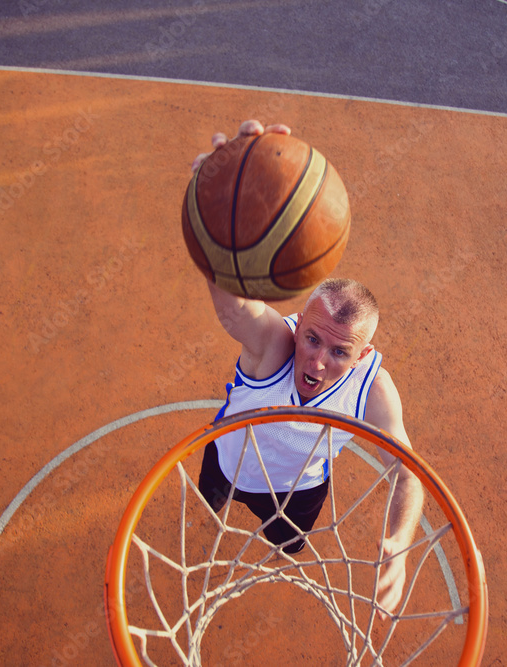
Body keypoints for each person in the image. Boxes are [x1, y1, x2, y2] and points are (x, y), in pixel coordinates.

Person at [191, 120, 424, 619]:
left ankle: (280, 543)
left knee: (287, 547)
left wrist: (399, 542)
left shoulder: (374, 390)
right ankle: (214, 519)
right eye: (312, 338)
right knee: (207, 508)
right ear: (299, 325)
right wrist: (218, 218)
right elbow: (236, 311)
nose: (316, 359)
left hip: (299, 489)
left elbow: (408, 471)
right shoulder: (276, 345)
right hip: (230, 456)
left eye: (339, 352)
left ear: (363, 355)